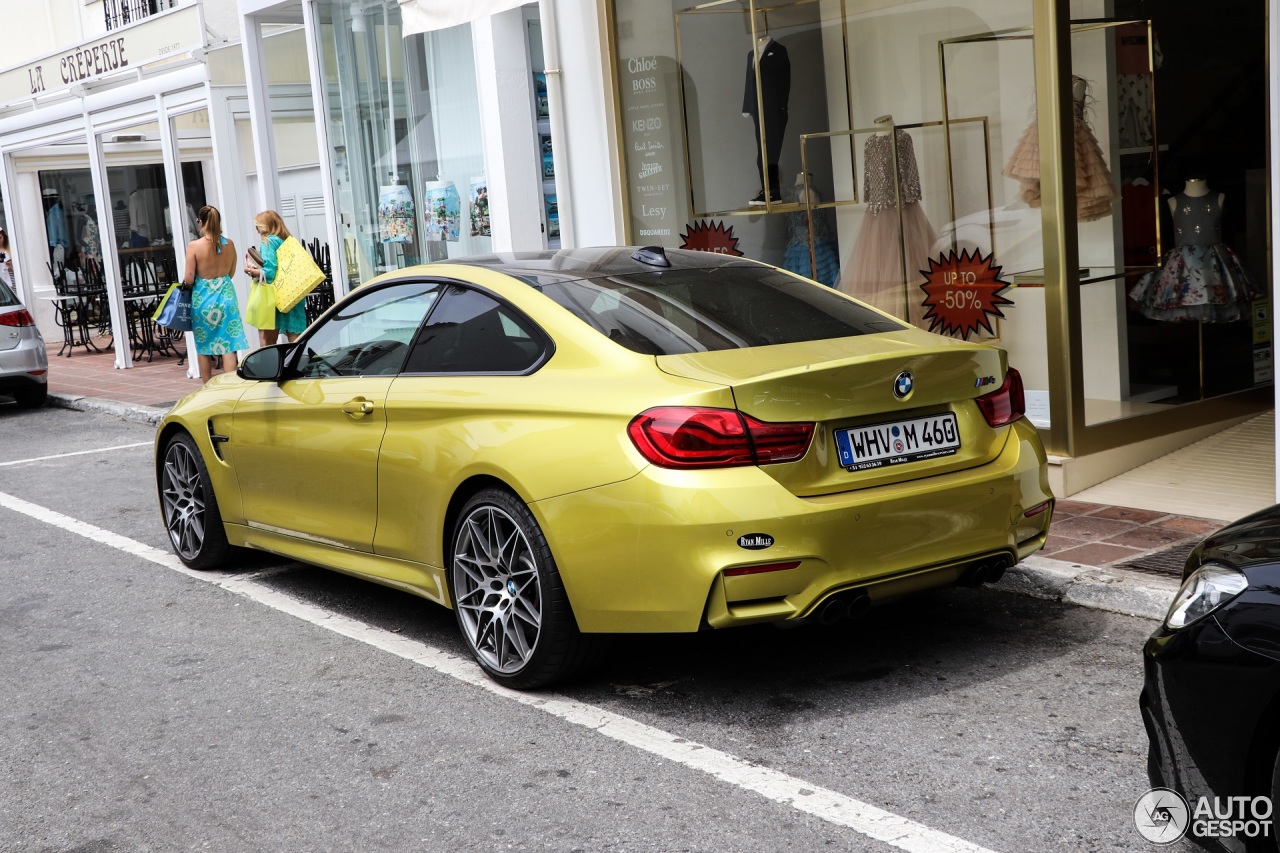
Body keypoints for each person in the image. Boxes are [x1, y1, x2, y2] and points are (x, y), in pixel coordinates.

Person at [182, 205, 247, 383]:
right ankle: (230, 386)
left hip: (203, 299)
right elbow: (231, 272)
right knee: (229, 345)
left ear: (201, 222)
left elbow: (188, 279)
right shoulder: (230, 244)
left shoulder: (194, 246)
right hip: (226, 297)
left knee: (204, 346)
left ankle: (207, 387)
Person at [242, 209, 307, 346]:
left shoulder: (268, 242)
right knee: (296, 342)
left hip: (276, 297)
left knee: (268, 343)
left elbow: (270, 273)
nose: (257, 231)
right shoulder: (288, 241)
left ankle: (272, 368)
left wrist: (252, 271)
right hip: (293, 293)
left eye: (257, 227)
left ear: (264, 227)